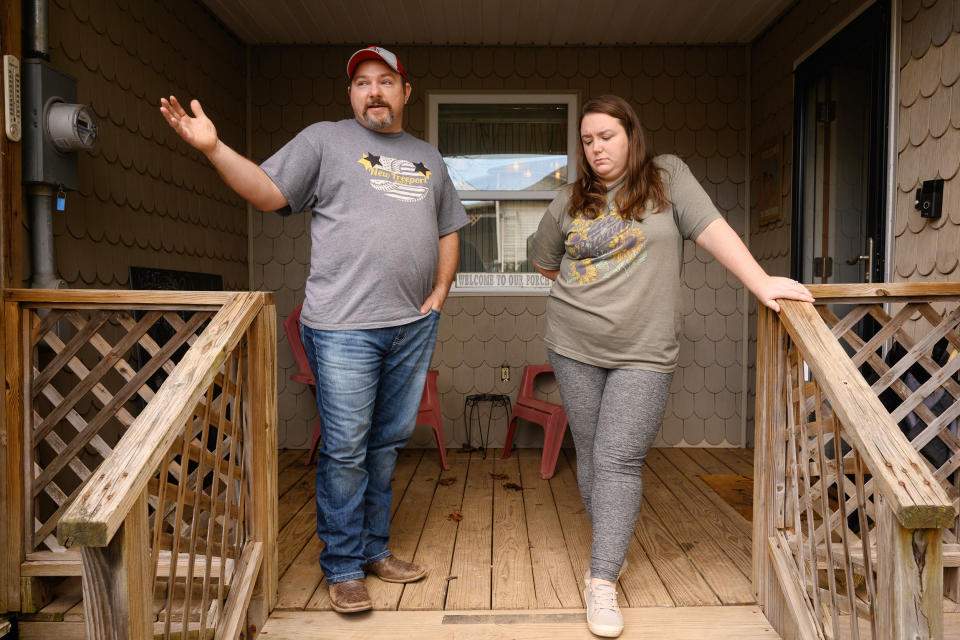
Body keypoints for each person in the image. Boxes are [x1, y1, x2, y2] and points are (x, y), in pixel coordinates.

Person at [160, 46, 468, 613]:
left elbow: (449, 227)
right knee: (347, 449)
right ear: (351, 94)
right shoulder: (325, 141)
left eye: (385, 82)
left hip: (412, 325)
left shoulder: (429, 157)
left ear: (406, 91)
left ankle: (375, 549)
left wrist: (440, 293)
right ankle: (344, 566)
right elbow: (266, 192)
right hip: (345, 327)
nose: (373, 91)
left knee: (386, 444)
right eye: (362, 84)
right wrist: (214, 148)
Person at [529, 95, 812, 638]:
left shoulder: (667, 177)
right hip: (573, 345)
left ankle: (602, 579)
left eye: (606, 136)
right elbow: (546, 263)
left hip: (644, 351)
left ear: (631, 135)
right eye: (587, 141)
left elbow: (713, 230)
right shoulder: (568, 200)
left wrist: (761, 282)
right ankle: (609, 539)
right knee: (590, 451)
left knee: (617, 457)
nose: (596, 149)